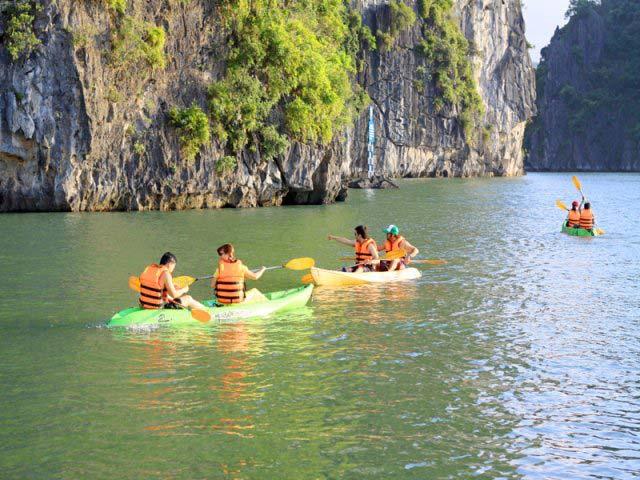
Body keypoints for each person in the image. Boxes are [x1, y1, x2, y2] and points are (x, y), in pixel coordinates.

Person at [139, 252, 207, 311]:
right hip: (158, 308)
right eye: (174, 266)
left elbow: (156, 288)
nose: (173, 269)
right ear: (169, 264)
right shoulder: (166, 274)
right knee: (188, 298)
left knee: (169, 296)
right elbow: (174, 295)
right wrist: (184, 289)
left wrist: (173, 288)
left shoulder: (149, 269)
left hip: (144, 305)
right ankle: (209, 311)